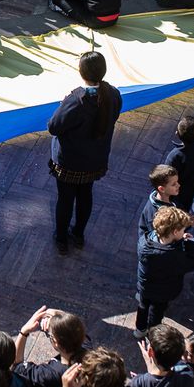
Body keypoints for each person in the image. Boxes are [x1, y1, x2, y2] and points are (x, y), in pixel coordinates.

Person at [47, 51, 122, 253]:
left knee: (65, 199)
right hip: (95, 160)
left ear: (81, 72)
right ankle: (79, 234)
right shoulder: (113, 94)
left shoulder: (75, 100)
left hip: (69, 162)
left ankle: (61, 239)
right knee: (85, 195)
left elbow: (53, 127)